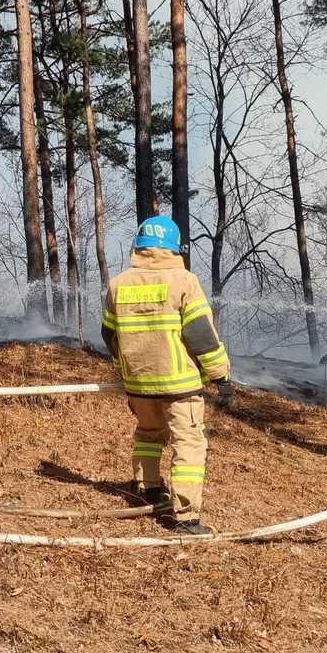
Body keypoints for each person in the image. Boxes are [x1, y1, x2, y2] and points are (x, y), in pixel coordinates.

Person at [101, 216, 232, 536]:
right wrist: (220, 375)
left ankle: (148, 487)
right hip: (179, 385)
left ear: (140, 245)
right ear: (174, 248)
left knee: (148, 432)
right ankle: (186, 516)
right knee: (188, 444)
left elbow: (109, 334)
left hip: (138, 384)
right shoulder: (184, 281)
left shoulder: (118, 284)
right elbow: (201, 333)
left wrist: (126, 368)